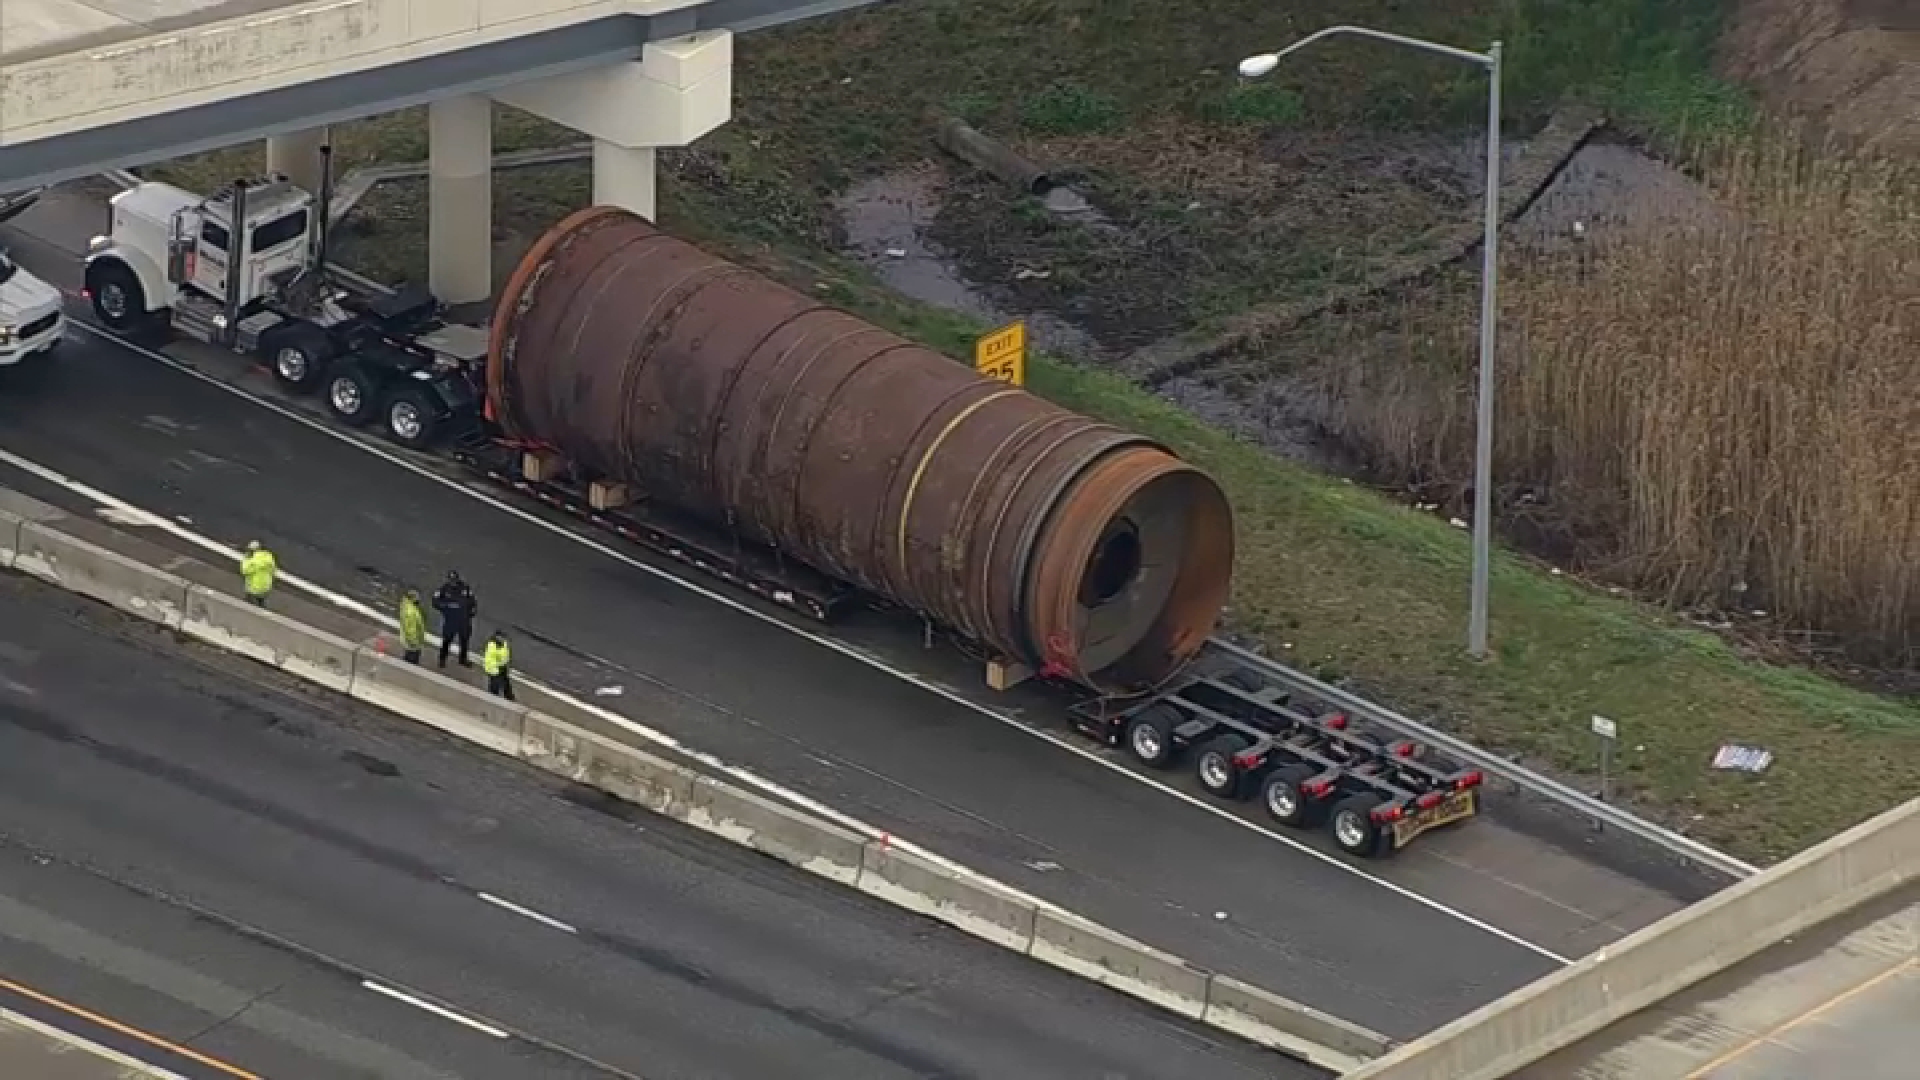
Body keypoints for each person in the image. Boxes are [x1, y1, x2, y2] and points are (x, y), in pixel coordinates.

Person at [432, 571, 478, 668]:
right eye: (451, 580)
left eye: (455, 580)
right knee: (447, 641)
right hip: (451, 621)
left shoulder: (465, 588)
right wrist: (446, 607)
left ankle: (463, 659)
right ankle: (442, 659)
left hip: (464, 620)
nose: (453, 582)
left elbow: (472, 600)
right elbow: (435, 602)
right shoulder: (444, 589)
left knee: (464, 642)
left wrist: (472, 612)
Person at [239, 541, 278, 608]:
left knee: (249, 591)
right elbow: (273, 571)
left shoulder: (252, 560)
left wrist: (245, 559)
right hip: (266, 587)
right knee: (262, 597)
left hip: (253, 588)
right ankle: (261, 604)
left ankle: (248, 602)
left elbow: (244, 571)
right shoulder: (268, 556)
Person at [397, 588, 428, 665]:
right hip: (413, 643)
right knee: (412, 661)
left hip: (409, 641)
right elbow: (411, 628)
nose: (419, 598)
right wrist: (415, 643)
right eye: (417, 597)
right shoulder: (412, 611)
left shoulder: (406, 607)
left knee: (408, 658)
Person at [481, 630, 514, 700]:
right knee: (495, 684)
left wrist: (506, 664)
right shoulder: (492, 646)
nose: (504, 639)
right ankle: (494, 697)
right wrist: (496, 668)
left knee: (505, 682)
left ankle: (509, 695)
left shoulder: (503, 643)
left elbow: (506, 654)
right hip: (494, 668)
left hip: (502, 666)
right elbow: (490, 660)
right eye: (502, 637)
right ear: (497, 637)